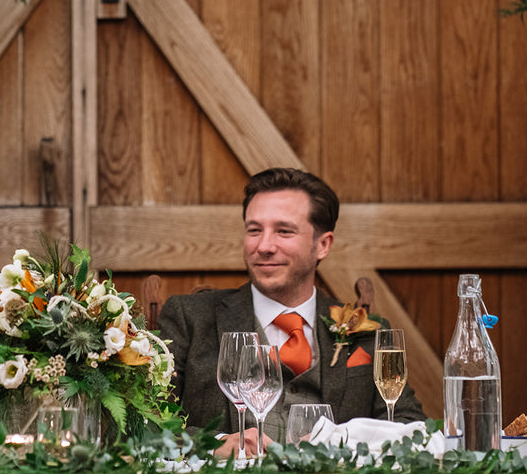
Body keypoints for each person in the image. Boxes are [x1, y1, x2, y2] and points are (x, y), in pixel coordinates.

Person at [158, 167, 423, 457]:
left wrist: (342, 441)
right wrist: (214, 445)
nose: (264, 246)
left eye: (284, 231)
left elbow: (409, 425)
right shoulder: (189, 318)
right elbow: (148, 421)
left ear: (323, 245)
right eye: (254, 230)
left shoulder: (368, 333)